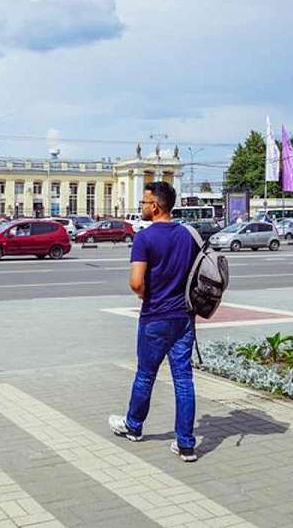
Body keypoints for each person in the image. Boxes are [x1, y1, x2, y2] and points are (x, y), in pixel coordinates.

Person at [109, 181, 199, 462]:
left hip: (155, 317)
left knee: (146, 374)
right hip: (183, 317)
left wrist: (147, 295)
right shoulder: (188, 235)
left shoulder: (144, 238)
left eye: (144, 203)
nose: (142, 208)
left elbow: (136, 283)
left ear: (156, 206)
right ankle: (185, 445)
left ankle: (134, 426)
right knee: (184, 380)